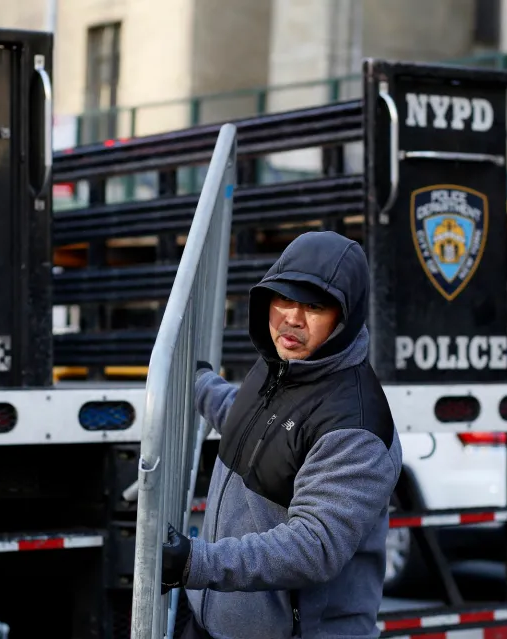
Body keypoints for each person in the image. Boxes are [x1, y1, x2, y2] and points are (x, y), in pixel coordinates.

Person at [160, 230, 402, 639]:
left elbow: (314, 547)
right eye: (284, 299)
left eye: (314, 306)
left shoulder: (355, 427)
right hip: (214, 624)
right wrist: (197, 380)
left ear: (345, 318)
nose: (292, 317)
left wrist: (194, 562)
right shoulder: (280, 366)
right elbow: (245, 421)